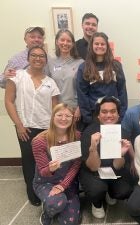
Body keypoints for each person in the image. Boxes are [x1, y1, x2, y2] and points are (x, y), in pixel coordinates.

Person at [5, 46, 60, 206]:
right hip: (25, 128)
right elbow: (8, 101)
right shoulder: (17, 77)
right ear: (28, 58)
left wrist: (53, 129)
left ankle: (46, 189)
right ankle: (33, 193)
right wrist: (19, 125)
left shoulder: (51, 82)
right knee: (29, 161)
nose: (38, 58)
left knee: (44, 161)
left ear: (45, 60)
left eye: (41, 56)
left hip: (46, 128)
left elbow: (55, 108)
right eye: (34, 55)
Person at [79, 96, 133, 219]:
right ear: (98, 115)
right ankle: (96, 203)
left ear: (118, 115)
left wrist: (121, 153)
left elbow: (117, 165)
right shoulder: (89, 133)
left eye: (113, 111)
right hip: (93, 172)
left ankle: (110, 192)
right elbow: (93, 167)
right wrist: (93, 147)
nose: (109, 115)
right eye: (104, 112)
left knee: (125, 190)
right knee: (97, 189)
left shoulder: (123, 133)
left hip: (113, 171)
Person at [32, 103, 81, 225]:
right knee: (56, 203)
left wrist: (63, 185)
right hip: (45, 181)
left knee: (71, 221)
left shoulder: (77, 136)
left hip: (67, 182)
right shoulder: (40, 141)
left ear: (73, 118)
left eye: (68, 116)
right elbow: (43, 171)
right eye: (59, 115)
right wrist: (50, 168)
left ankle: (59, 206)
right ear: (53, 117)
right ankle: (48, 211)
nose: (63, 119)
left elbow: (76, 164)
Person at [76, 32, 128, 128]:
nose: (99, 46)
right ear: (91, 46)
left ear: (107, 46)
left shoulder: (116, 65)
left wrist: (121, 115)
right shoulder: (83, 67)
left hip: (113, 116)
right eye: (96, 44)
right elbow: (82, 94)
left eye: (102, 44)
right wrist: (88, 118)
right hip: (94, 116)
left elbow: (122, 91)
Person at [48, 29, 84, 123]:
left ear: (72, 44)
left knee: (75, 137)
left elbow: (84, 89)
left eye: (68, 41)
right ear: (57, 42)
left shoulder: (80, 63)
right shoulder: (50, 63)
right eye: (62, 40)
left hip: (74, 111)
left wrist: (79, 108)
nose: (65, 43)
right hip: (56, 110)